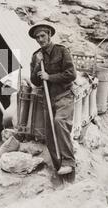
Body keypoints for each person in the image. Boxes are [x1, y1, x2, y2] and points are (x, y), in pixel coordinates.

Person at [28, 23, 77, 176]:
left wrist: (50, 77)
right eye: (37, 37)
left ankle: (69, 162)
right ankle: (59, 169)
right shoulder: (36, 56)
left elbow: (71, 74)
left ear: (49, 35)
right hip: (47, 99)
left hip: (64, 97)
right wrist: (37, 65)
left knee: (59, 122)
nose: (40, 40)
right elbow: (34, 81)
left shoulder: (61, 51)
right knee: (49, 135)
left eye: (43, 36)